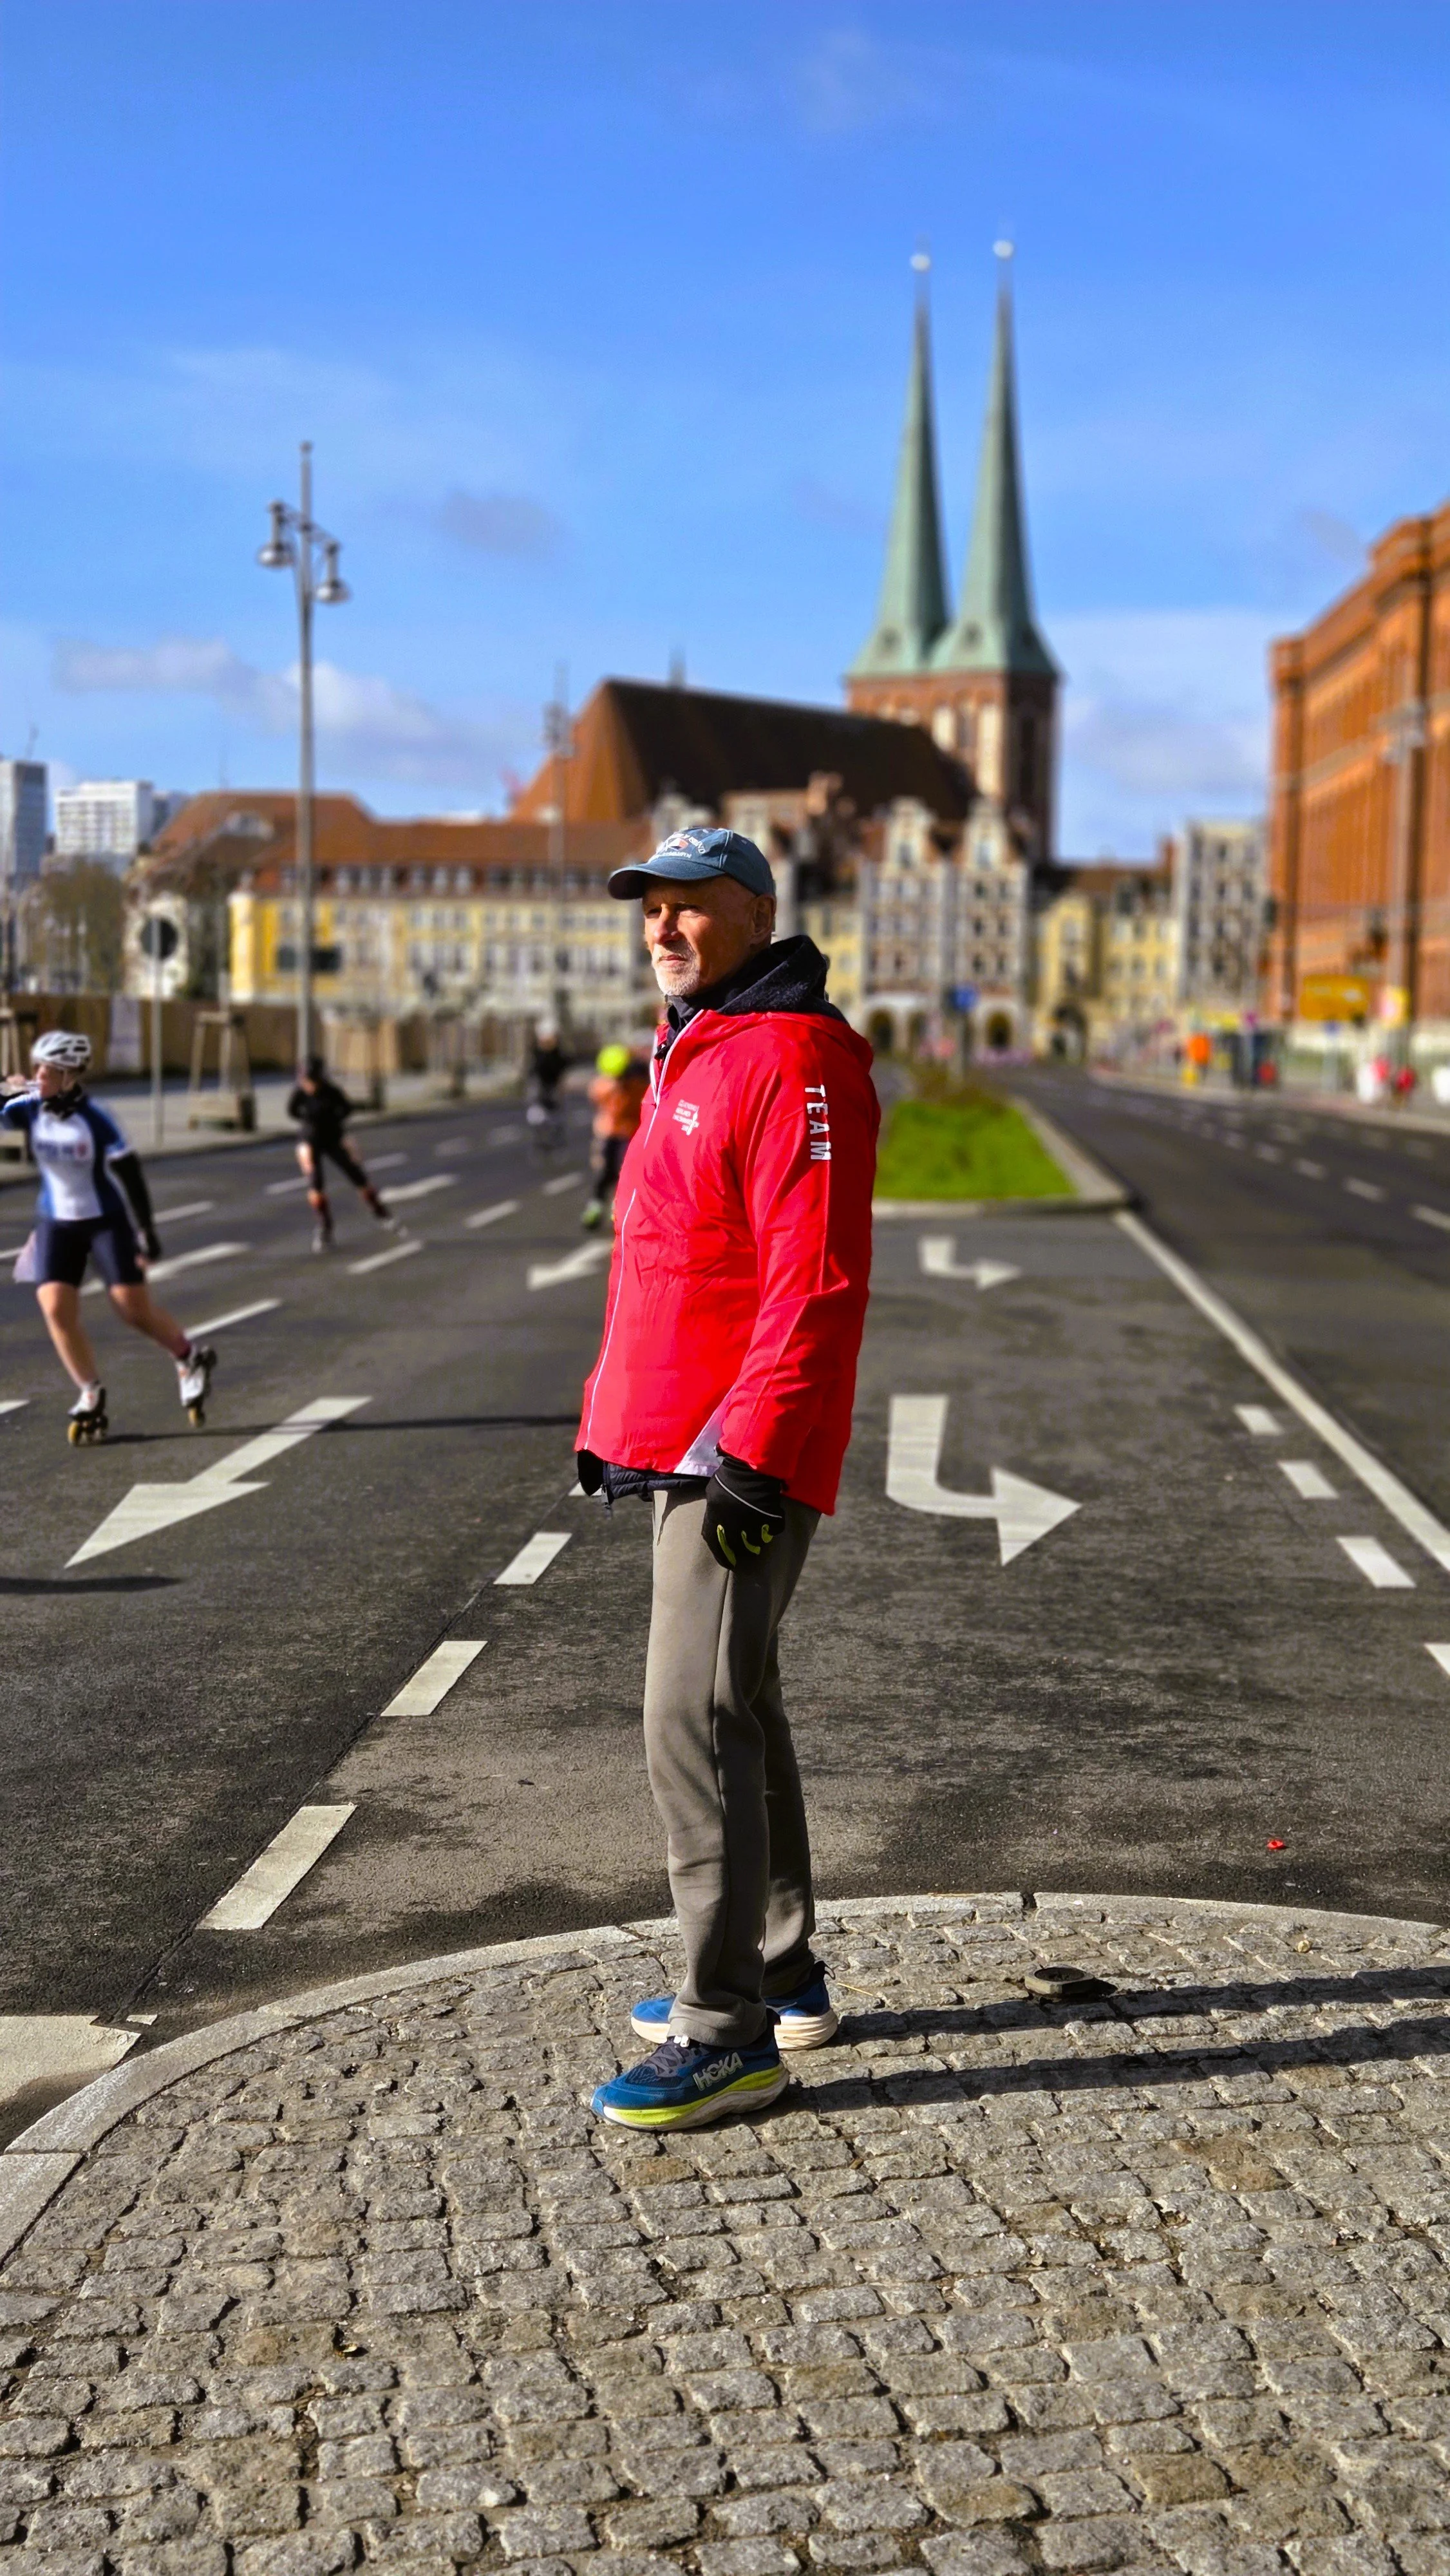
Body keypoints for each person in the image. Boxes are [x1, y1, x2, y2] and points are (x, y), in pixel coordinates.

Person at [575, 826, 879, 2130]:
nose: (664, 928)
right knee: (734, 1697)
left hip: (734, 1448)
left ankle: (723, 2031)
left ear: (755, 911)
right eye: (652, 908)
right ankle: (779, 1962)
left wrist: (753, 1458)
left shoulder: (795, 1056)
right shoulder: (699, 1042)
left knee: (687, 1719)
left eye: (691, 907)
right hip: (680, 1432)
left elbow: (813, 1281)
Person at [1, 1029, 215, 1443]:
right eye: (38, 1068)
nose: (39, 1075)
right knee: (54, 1307)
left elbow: (130, 1174)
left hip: (104, 1220)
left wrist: (147, 1230)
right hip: (56, 1220)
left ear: (69, 1076)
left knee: (130, 1308)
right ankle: (89, 1391)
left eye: (49, 1070)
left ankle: (189, 1358)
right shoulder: (29, 1107)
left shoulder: (97, 1118)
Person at [287, 1056, 394, 1251]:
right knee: (315, 1182)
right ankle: (324, 1227)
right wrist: (307, 1121)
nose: (309, 1085)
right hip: (310, 1141)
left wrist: (333, 1121)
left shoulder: (331, 1091)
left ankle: (381, 1213)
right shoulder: (300, 1093)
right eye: (306, 1081)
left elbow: (346, 1109)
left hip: (333, 1138)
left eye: (312, 1081)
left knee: (355, 1174)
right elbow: (292, 1111)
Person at [581, 1042, 647, 1231]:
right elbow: (598, 1099)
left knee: (625, 1173)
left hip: (629, 1133)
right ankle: (595, 1206)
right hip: (608, 1132)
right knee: (604, 1172)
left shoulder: (637, 1086)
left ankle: (621, 1209)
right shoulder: (603, 1086)